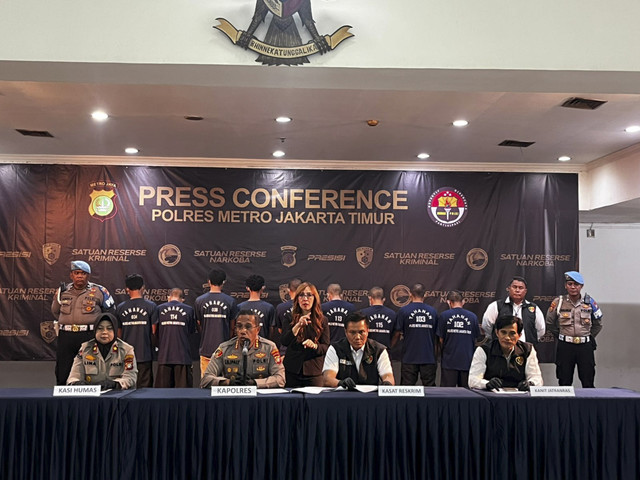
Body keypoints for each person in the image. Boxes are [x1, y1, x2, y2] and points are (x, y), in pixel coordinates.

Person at [51, 260, 115, 385]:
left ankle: (90, 397)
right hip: (66, 336)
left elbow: (109, 313)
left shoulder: (99, 291)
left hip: (89, 335)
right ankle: (63, 398)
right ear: (71, 275)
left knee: (91, 368)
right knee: (63, 369)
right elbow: (55, 312)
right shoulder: (62, 291)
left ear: (88, 276)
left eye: (83, 273)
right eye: (77, 273)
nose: (80, 276)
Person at [546, 271, 603, 388]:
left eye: (576, 284)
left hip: (585, 347)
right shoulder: (558, 302)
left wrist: (588, 336)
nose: (573, 287)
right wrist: (563, 335)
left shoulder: (590, 302)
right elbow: (550, 323)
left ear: (581, 286)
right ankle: (564, 406)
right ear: (565, 286)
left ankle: (588, 406)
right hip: (565, 346)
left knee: (588, 381)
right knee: (564, 381)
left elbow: (598, 323)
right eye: (570, 284)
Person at [200, 310, 285, 388]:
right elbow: (206, 379)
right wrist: (228, 382)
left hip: (259, 398)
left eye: (248, 327)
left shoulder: (269, 347)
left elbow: (280, 379)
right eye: (239, 326)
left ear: (258, 329)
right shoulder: (224, 348)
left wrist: (256, 383)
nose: (243, 331)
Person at [468, 315, 543, 390]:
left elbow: (537, 378)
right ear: (497, 333)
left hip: (520, 397)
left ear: (519, 335)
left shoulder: (527, 350)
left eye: (512, 333)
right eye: (503, 332)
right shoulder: (483, 350)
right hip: (491, 397)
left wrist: (531, 383)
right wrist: (487, 384)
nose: (507, 337)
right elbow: (472, 380)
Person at [322, 312, 395, 389]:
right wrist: (341, 383)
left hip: (370, 398)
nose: (357, 337)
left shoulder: (379, 350)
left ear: (367, 331)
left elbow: (388, 376)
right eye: (352, 332)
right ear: (346, 332)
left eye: (361, 332)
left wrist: (387, 383)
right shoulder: (335, 348)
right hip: (343, 396)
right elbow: (327, 378)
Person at [67, 312, 137, 390]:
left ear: (115, 330)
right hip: (91, 396)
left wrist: (115, 384)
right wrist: (76, 383)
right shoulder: (85, 348)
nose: (104, 332)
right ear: (95, 330)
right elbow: (74, 376)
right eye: (100, 328)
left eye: (109, 328)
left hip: (118, 395)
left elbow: (131, 377)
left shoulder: (126, 349)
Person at [281, 282, 330, 387]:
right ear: (297, 298)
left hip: (314, 371)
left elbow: (326, 347)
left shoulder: (322, 320)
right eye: (301, 295)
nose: (305, 298)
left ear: (315, 298)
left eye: (309, 295)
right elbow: (285, 341)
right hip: (292, 370)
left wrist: (315, 346)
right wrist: (298, 325)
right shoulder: (289, 317)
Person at [194, 269, 238, 377]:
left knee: (206, 384)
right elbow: (233, 327)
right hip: (225, 350)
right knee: (224, 385)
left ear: (209, 282)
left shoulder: (199, 301)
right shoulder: (230, 301)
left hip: (206, 349)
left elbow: (199, 324)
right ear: (224, 282)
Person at [115, 273, 157, 388]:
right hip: (145, 353)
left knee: (127, 385)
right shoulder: (151, 306)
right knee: (145, 388)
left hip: (126, 353)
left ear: (126, 289)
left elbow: (119, 333)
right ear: (143, 287)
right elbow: (154, 331)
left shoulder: (120, 307)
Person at [394, 283, 438, 386]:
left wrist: (390, 346)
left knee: (406, 392)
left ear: (410, 294)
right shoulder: (433, 312)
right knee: (431, 392)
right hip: (428, 357)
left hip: (409, 357)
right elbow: (438, 337)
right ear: (425, 294)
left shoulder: (403, 311)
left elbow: (397, 333)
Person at [482, 276, 545, 347]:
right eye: (514, 287)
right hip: (501, 349)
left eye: (521, 288)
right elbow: (487, 326)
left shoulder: (534, 308)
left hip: (526, 350)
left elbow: (541, 330)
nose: (517, 290)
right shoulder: (496, 306)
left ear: (525, 291)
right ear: (509, 289)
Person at [437, 290, 482, 388]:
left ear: (448, 302)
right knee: (467, 395)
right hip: (467, 361)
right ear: (463, 301)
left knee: (446, 395)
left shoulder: (444, 316)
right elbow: (476, 338)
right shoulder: (473, 317)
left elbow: (440, 339)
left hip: (449, 361)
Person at [153, 288, 196, 388]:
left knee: (162, 394)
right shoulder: (189, 310)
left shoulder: (159, 309)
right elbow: (191, 331)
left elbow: (154, 331)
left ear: (169, 297)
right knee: (183, 394)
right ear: (182, 299)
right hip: (183, 357)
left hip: (164, 356)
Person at [237, 274, 276, 339]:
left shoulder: (240, 307)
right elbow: (271, 329)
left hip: (244, 344)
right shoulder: (269, 308)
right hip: (263, 345)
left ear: (247, 288)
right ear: (263, 288)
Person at [274, 278, 302, 353]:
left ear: (288, 290)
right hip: (301, 346)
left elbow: (280, 330)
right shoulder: (307, 306)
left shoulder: (280, 307)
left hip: (286, 349)